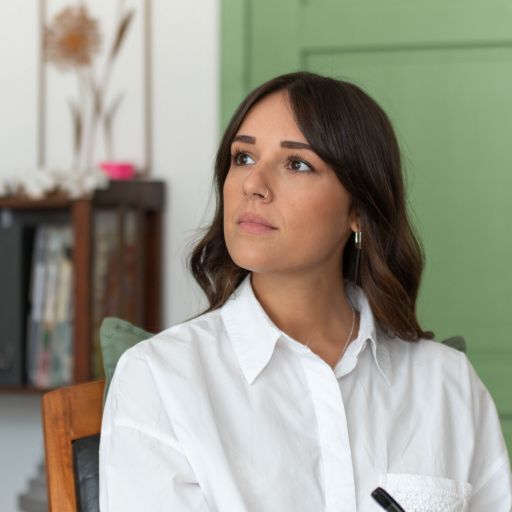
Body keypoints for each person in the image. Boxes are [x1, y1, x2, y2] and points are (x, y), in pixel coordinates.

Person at [99, 71, 512, 511]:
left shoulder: (447, 384)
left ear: (359, 210)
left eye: (297, 164)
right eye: (243, 157)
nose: (253, 184)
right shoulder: (159, 378)